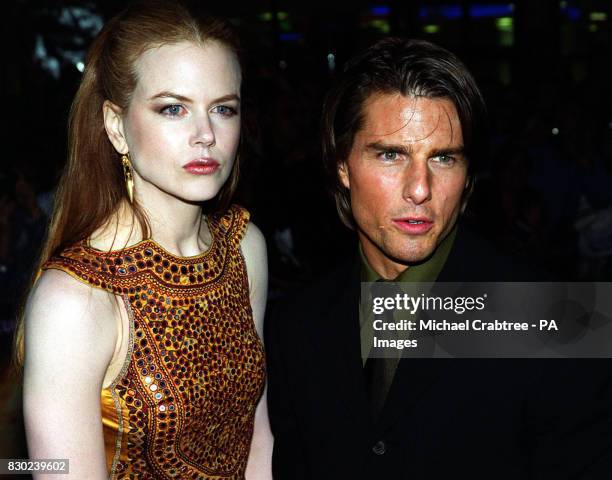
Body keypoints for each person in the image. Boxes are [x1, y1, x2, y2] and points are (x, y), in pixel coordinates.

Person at [265, 38, 612, 479]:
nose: (420, 189)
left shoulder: (558, 321)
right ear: (341, 166)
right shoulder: (297, 327)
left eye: (443, 158)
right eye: (391, 155)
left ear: (468, 175)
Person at [15, 1, 272, 478]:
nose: (205, 135)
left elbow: (258, 437)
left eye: (223, 109)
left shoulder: (244, 248)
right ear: (116, 126)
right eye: (173, 109)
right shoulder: (76, 300)